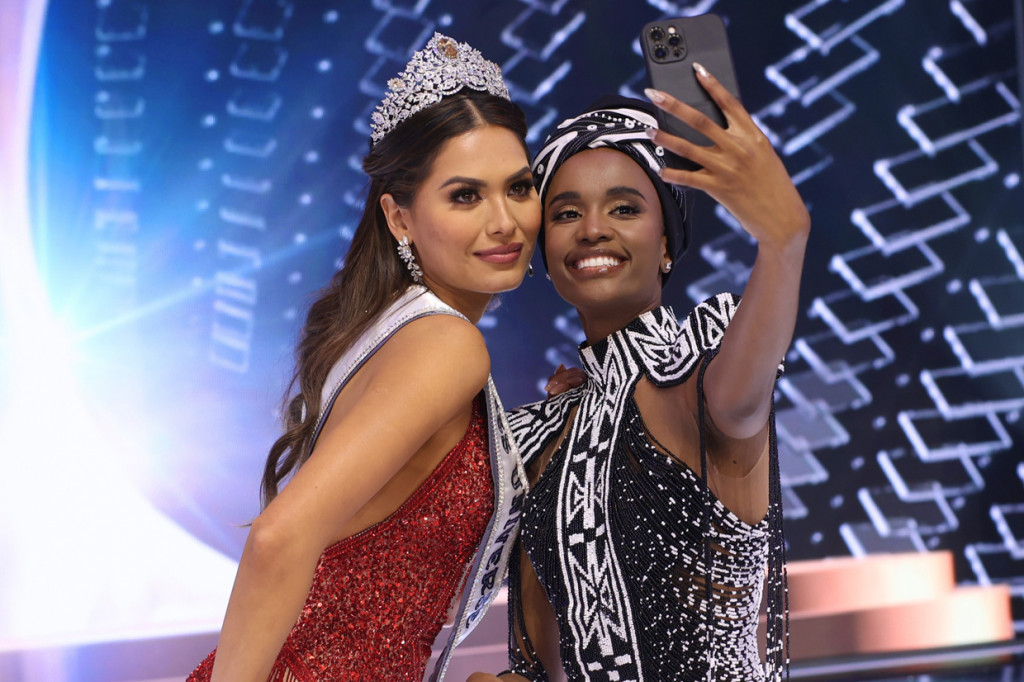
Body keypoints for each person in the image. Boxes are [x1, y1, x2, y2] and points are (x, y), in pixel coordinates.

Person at [187, 33, 540, 682]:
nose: (505, 221)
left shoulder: (393, 329)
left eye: (519, 187)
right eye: (466, 196)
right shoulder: (448, 344)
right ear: (400, 218)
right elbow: (277, 539)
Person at [470, 66, 810, 682]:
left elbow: (745, 385)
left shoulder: (699, 384)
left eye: (623, 207)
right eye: (566, 212)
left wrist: (784, 240)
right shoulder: (543, 437)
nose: (592, 228)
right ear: (546, 253)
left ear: (666, 245)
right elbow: (537, 661)